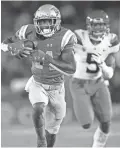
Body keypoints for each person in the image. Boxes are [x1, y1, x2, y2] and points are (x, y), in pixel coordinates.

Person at [1, 4, 77, 147]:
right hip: (37, 82)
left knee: (53, 130)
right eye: (41, 22)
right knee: (38, 107)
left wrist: (48, 59)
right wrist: (12, 48)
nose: (45, 25)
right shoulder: (28, 31)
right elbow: (4, 44)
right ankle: (40, 139)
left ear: (57, 21)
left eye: (48, 21)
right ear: (36, 22)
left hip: (57, 87)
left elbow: (71, 69)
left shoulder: (65, 37)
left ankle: (47, 142)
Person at [69, 10, 120, 148]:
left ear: (107, 26)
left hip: (98, 82)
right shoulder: (79, 36)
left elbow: (109, 74)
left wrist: (102, 65)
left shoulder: (111, 40)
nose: (98, 28)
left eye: (101, 25)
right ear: (88, 26)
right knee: (86, 123)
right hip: (79, 83)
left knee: (106, 121)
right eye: (95, 25)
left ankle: (97, 146)